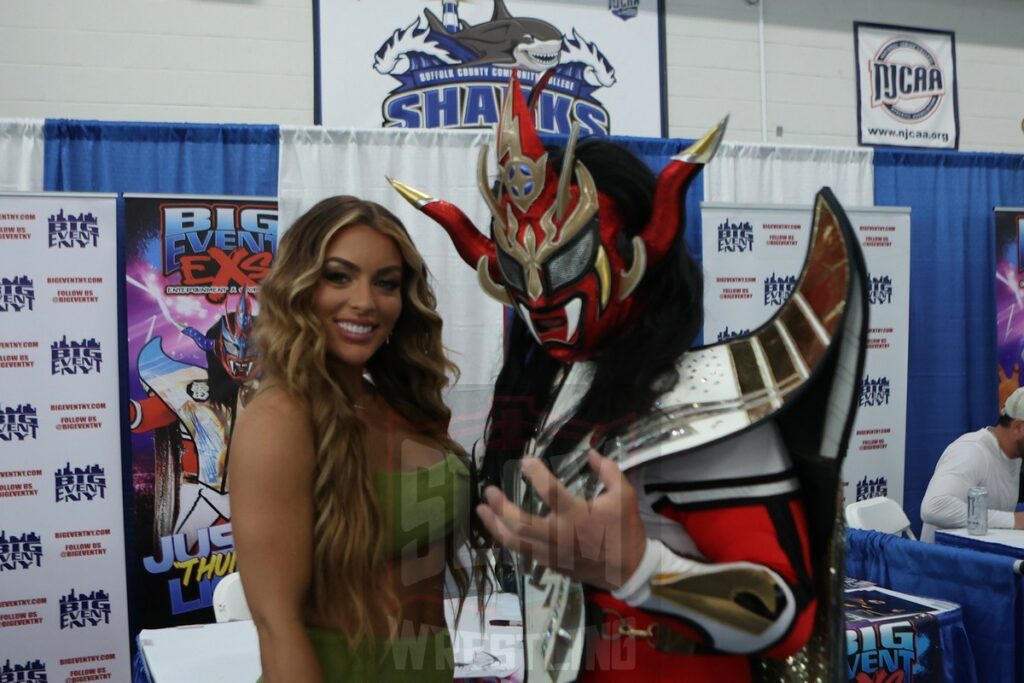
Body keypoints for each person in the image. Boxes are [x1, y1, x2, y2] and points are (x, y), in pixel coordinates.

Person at [389, 70, 868, 682]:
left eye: (564, 262)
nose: (539, 296)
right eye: (516, 266)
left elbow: (783, 614)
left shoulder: (702, 401)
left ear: (638, 254)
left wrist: (639, 568)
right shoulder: (555, 385)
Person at [229, 196, 487, 682]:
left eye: (386, 283)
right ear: (300, 287)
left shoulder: (397, 403)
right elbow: (277, 625)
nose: (365, 301)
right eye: (339, 276)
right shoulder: (279, 418)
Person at [920, 386, 1024, 542]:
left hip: (986, 555)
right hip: (945, 561)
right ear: (1018, 427)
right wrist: (1014, 521)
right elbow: (933, 507)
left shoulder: (1016, 454)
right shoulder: (971, 451)